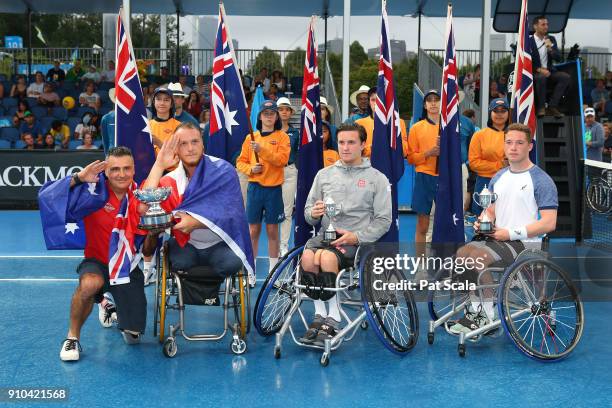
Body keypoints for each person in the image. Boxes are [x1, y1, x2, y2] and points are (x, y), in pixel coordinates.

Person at [38, 147, 148, 360]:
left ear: (135, 170)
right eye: (115, 169)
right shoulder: (93, 192)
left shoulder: (141, 197)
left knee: (133, 338)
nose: (121, 174)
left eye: (127, 168)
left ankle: (106, 303)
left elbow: (151, 247)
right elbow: (47, 196)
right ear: (106, 171)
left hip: (127, 266)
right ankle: (72, 338)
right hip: (96, 261)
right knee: (90, 284)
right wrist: (78, 178)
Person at [450, 123, 558, 333]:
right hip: (497, 238)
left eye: (519, 143)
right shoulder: (499, 177)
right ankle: (477, 309)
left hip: (524, 243)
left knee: (476, 257)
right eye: (509, 142)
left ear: (530, 146)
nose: (513, 147)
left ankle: (486, 316)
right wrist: (483, 220)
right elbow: (490, 210)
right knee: (462, 254)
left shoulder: (542, 180)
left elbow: (549, 223)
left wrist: (509, 233)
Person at [299, 123, 392, 345]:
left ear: (363, 145)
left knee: (326, 257)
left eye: (351, 142)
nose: (346, 147)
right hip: (326, 237)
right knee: (308, 257)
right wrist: (313, 212)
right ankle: (320, 314)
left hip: (357, 241)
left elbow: (384, 220)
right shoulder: (324, 175)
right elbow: (307, 215)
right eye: (341, 142)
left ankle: (334, 317)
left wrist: (356, 236)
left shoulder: (376, 178)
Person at [139, 123, 253, 290]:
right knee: (179, 262)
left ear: (203, 144)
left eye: (195, 141)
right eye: (183, 144)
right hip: (186, 246)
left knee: (232, 263)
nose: (190, 148)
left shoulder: (223, 171)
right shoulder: (170, 181)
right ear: (176, 149)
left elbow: (233, 212)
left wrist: (196, 222)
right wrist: (159, 165)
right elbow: (144, 206)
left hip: (220, 244)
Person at [236, 100, 290, 287]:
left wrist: (262, 150)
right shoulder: (250, 137)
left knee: (272, 230)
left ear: (276, 116)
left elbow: (282, 160)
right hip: (255, 189)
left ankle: (273, 273)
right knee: (253, 230)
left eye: (272, 113)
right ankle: (250, 271)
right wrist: (251, 169)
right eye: (265, 113)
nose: (269, 116)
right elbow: (240, 162)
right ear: (259, 116)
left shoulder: (282, 137)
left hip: (274, 189)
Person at [407, 89, 440, 246]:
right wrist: (428, 153)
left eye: (437, 99)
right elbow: (411, 158)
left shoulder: (452, 126)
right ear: (425, 105)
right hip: (424, 176)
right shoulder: (416, 128)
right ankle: (420, 265)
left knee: (444, 223)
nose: (433, 103)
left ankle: (444, 262)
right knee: (423, 224)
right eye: (430, 100)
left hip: (446, 177)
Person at [468, 98, 510, 215]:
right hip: (485, 182)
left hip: (510, 181)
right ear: (490, 113)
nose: (499, 114)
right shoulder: (479, 135)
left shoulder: (515, 134)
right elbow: (474, 163)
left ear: (508, 113)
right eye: (496, 111)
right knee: (483, 220)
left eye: (503, 111)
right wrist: (500, 165)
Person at [528, 15, 569, 118]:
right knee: (541, 77)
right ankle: (541, 108)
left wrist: (551, 49)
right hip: (534, 72)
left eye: (547, 24)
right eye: (543, 24)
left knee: (565, 77)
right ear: (535, 26)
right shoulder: (529, 41)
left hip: (550, 71)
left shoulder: (551, 39)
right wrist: (538, 69)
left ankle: (552, 106)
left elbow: (559, 58)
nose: (546, 27)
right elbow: (525, 61)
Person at [355, 86, 408, 158]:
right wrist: (376, 146)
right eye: (373, 100)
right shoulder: (359, 123)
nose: (377, 103)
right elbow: (356, 151)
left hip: (390, 167)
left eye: (380, 100)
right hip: (367, 167)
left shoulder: (398, 122)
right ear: (369, 103)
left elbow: (405, 152)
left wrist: (391, 141)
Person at [276, 97, 300, 256]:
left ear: (291, 113)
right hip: (271, 172)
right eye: (281, 109)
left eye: (287, 109)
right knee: (271, 211)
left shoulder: (295, 132)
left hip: (290, 171)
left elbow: (297, 152)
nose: (284, 112)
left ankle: (283, 244)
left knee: (287, 210)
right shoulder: (270, 131)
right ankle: (273, 245)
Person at [460, 109, 477, 215]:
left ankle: (460, 227)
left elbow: (471, 145)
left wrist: (467, 162)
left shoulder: (467, 122)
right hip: (438, 168)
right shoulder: (437, 120)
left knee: (462, 200)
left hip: (462, 166)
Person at [100, 88, 116, 154]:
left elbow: (105, 140)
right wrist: (107, 154)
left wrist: (107, 154)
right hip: (112, 153)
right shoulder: (106, 118)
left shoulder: (105, 118)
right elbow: (105, 139)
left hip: (127, 154)